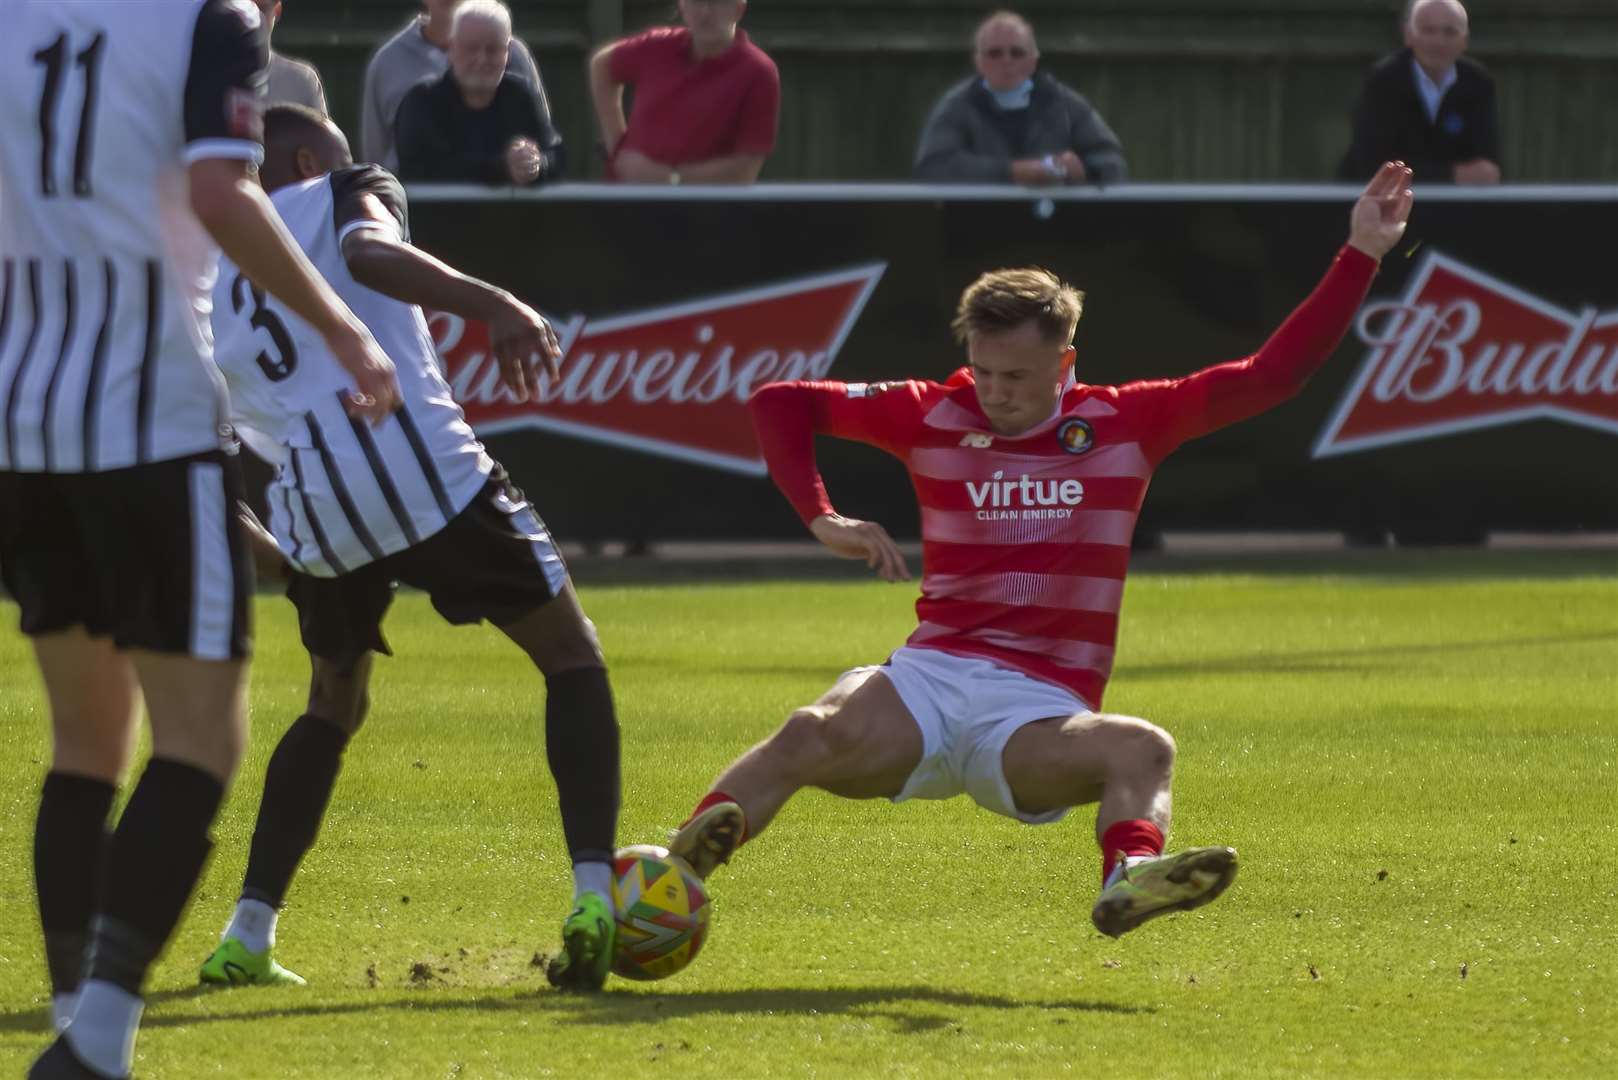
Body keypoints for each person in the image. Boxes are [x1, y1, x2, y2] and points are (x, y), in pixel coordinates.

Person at [670, 163, 1416, 947]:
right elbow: (779, 403)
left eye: (1018, 376)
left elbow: (1275, 376)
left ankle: (1126, 880)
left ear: (1066, 362)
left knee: (1144, 747)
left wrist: (1361, 251)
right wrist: (821, 516)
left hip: (1037, 708)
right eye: (984, 369)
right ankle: (667, 877)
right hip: (929, 677)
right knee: (806, 730)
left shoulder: (1127, 422)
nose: (995, 391)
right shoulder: (933, 411)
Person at [0, 2, 398, 1077]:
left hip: (25, 428)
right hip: (151, 424)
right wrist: (342, 323)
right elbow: (224, 191)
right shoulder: (202, 22)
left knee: (86, 746)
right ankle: (99, 1047)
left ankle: (78, 1019)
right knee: (199, 744)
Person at [196, 104, 621, 993]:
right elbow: (367, 254)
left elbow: (206, 454)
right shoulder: (347, 187)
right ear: (310, 158)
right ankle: (594, 898)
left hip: (316, 506)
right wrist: (496, 301)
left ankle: (247, 933)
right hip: (422, 467)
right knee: (572, 657)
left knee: (330, 704)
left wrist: (279, 552)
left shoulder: (211, 273)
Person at [914, 10, 1127, 186]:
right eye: (994, 54)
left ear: (1033, 59)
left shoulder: (1066, 104)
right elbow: (932, 167)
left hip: (1058, 223)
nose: (1006, 61)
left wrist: (1081, 172)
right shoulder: (957, 106)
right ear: (978, 61)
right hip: (978, 223)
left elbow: (1112, 164)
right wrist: (1012, 172)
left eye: (1016, 53)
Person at [590, 0, 779, 184]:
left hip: (700, 209)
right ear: (682, 5)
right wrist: (616, 144)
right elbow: (601, 65)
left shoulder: (758, 72)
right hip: (623, 200)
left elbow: (743, 173)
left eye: (718, 2)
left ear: (739, 9)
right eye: (696, 1)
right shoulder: (657, 46)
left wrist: (669, 178)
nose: (705, 12)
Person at [361, 0, 553, 171]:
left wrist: (534, 162)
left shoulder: (514, 55)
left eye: (492, 50)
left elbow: (544, 142)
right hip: (418, 205)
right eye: (470, 49)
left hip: (509, 204)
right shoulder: (388, 62)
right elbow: (376, 157)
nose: (481, 59)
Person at [1338, 0, 1499, 184]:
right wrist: (1451, 175)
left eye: (1450, 32)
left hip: (1454, 204)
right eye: (1428, 30)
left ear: (1465, 40)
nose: (1439, 42)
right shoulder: (1382, 81)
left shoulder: (1478, 83)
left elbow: (1487, 166)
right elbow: (1373, 165)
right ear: (1408, 35)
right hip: (1381, 203)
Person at [255, 0, 329, 112]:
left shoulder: (302, 81)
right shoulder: (219, 76)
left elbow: (318, 129)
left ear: (277, 10)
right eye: (246, 9)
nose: (253, 18)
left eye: (262, 9)